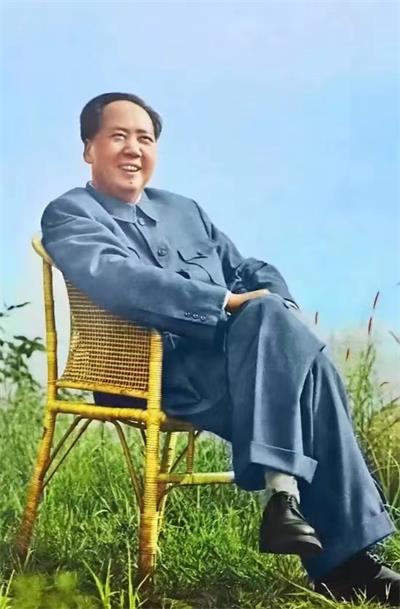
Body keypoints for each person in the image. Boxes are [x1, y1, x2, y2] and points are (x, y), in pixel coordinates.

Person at [41, 92, 400, 605]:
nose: (133, 149)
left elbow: (247, 267)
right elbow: (119, 280)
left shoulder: (184, 210)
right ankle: (344, 557)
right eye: (118, 136)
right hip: (154, 372)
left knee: (288, 338)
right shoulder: (71, 214)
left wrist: (280, 305)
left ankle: (291, 507)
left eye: (145, 138)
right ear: (88, 148)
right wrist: (226, 302)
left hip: (238, 367)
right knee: (308, 368)